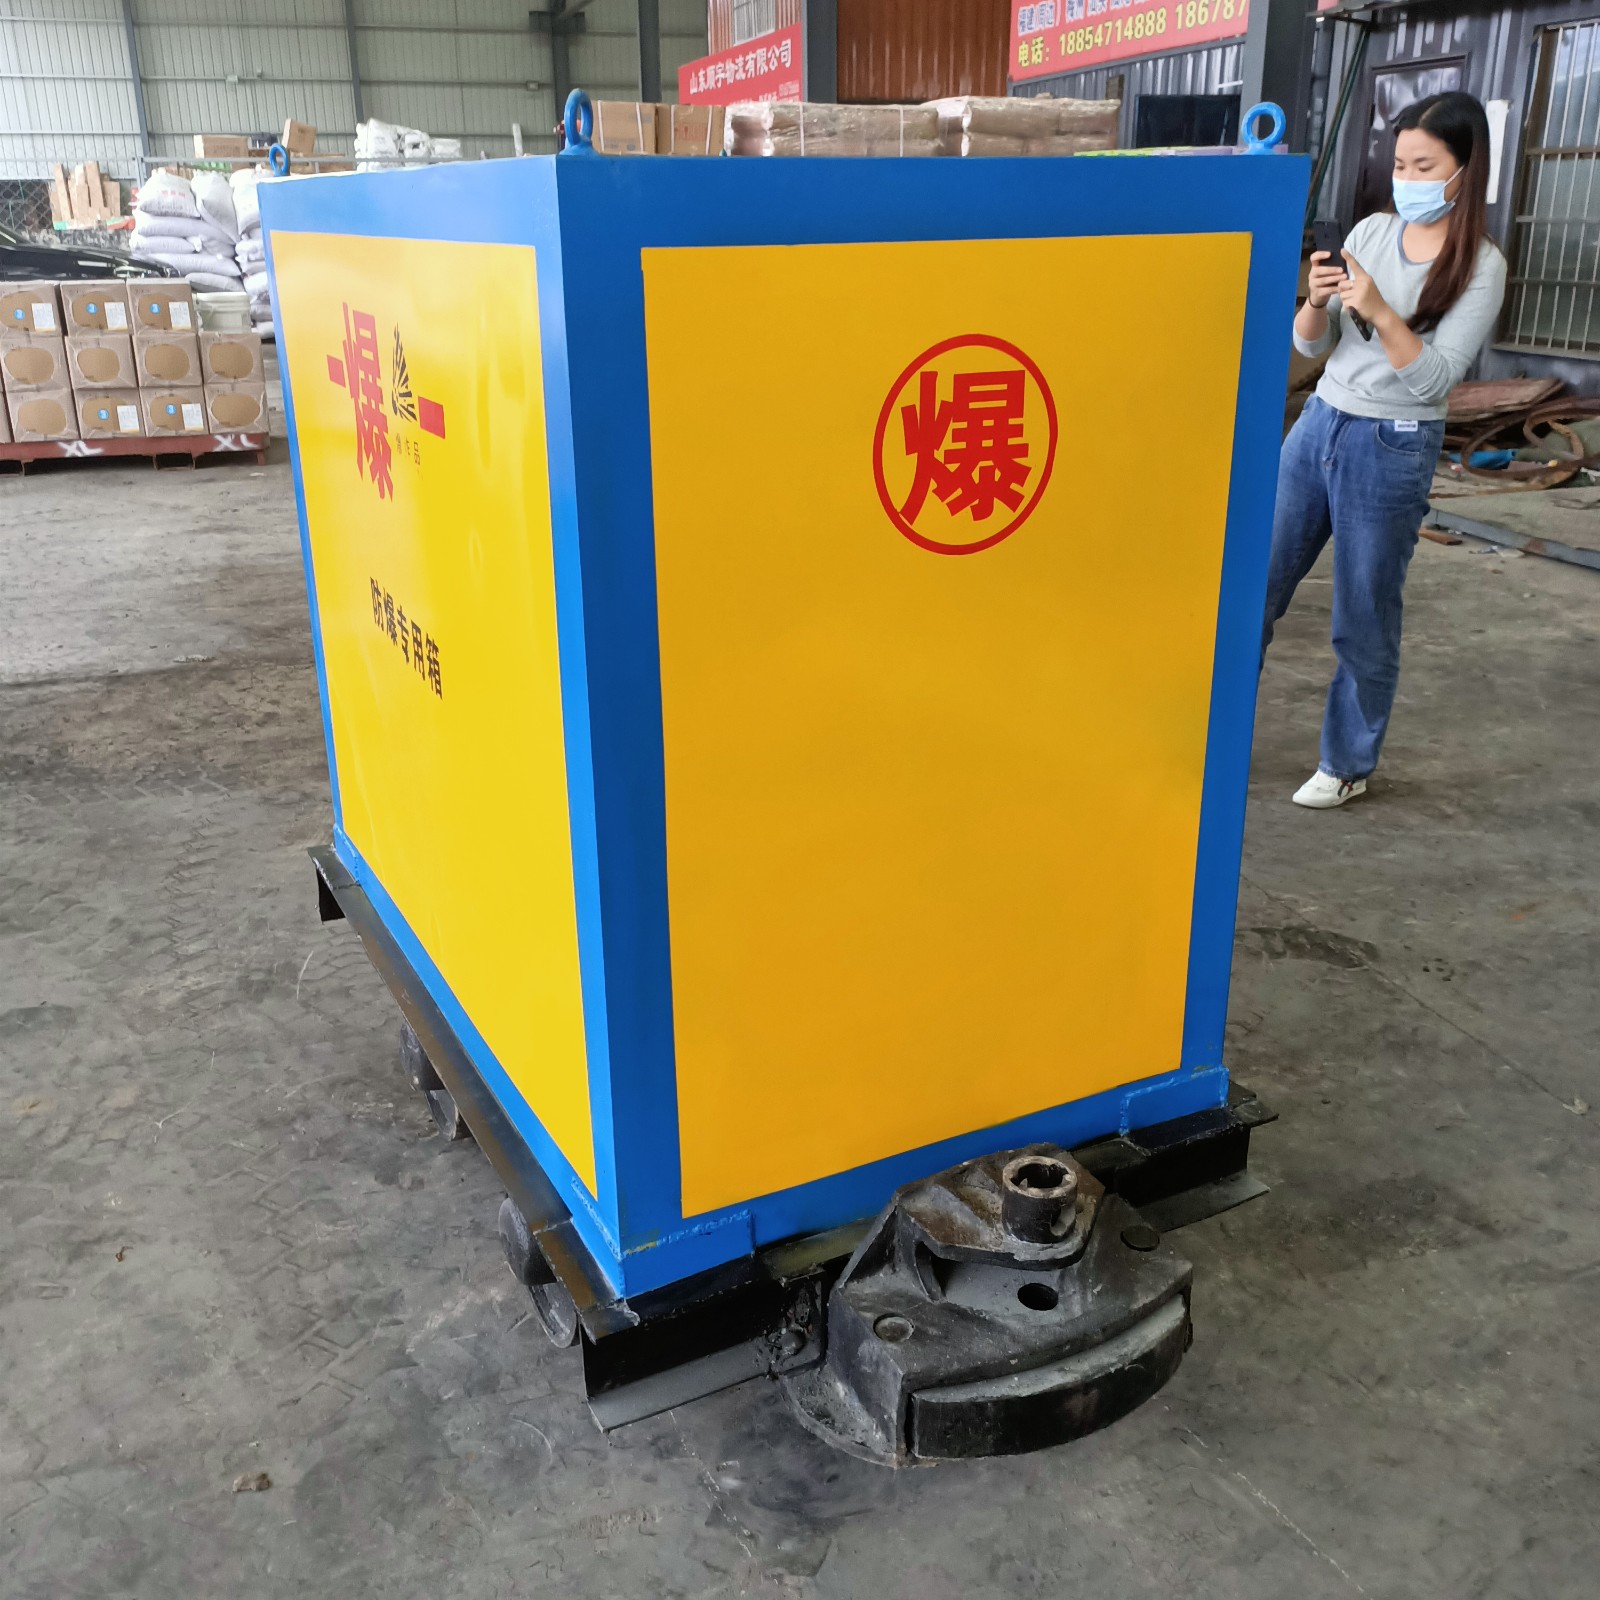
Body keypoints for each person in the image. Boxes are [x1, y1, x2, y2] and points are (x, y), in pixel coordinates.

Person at [1263, 91, 1508, 808]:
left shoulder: (1481, 266)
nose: (1407, 179)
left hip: (1394, 443)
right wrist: (1316, 302)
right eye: (1400, 164)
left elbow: (1432, 380)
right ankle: (1212, 729)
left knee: (1364, 614)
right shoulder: (1371, 232)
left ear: (1464, 170)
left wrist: (1378, 309)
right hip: (1320, 424)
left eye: (1424, 166)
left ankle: (1346, 763)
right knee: (1254, 585)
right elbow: (1311, 347)